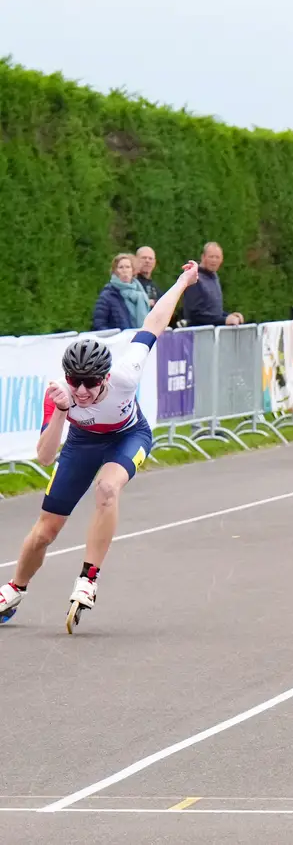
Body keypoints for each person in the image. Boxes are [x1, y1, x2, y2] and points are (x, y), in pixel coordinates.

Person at [0, 261, 200, 633]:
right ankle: (15, 588)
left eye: (90, 383)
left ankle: (88, 577)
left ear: (106, 376)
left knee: (107, 489)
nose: (82, 391)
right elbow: (44, 457)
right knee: (46, 530)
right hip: (80, 443)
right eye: (76, 381)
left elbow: (154, 321)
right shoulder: (60, 393)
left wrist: (183, 282)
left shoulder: (127, 372)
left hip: (129, 435)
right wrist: (62, 410)